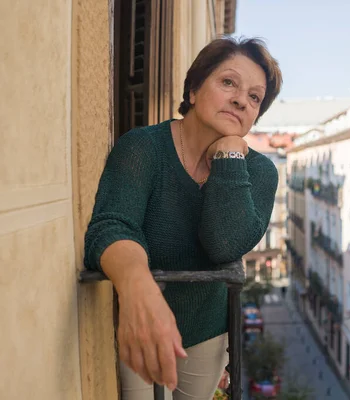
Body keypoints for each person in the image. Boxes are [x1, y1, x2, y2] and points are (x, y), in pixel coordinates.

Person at [84, 37, 282, 400]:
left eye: (254, 97)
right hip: (138, 319)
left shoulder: (261, 172)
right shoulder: (143, 147)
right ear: (193, 89)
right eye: (228, 82)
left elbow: (224, 243)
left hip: (205, 331)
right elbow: (112, 225)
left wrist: (229, 157)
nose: (241, 99)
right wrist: (138, 288)